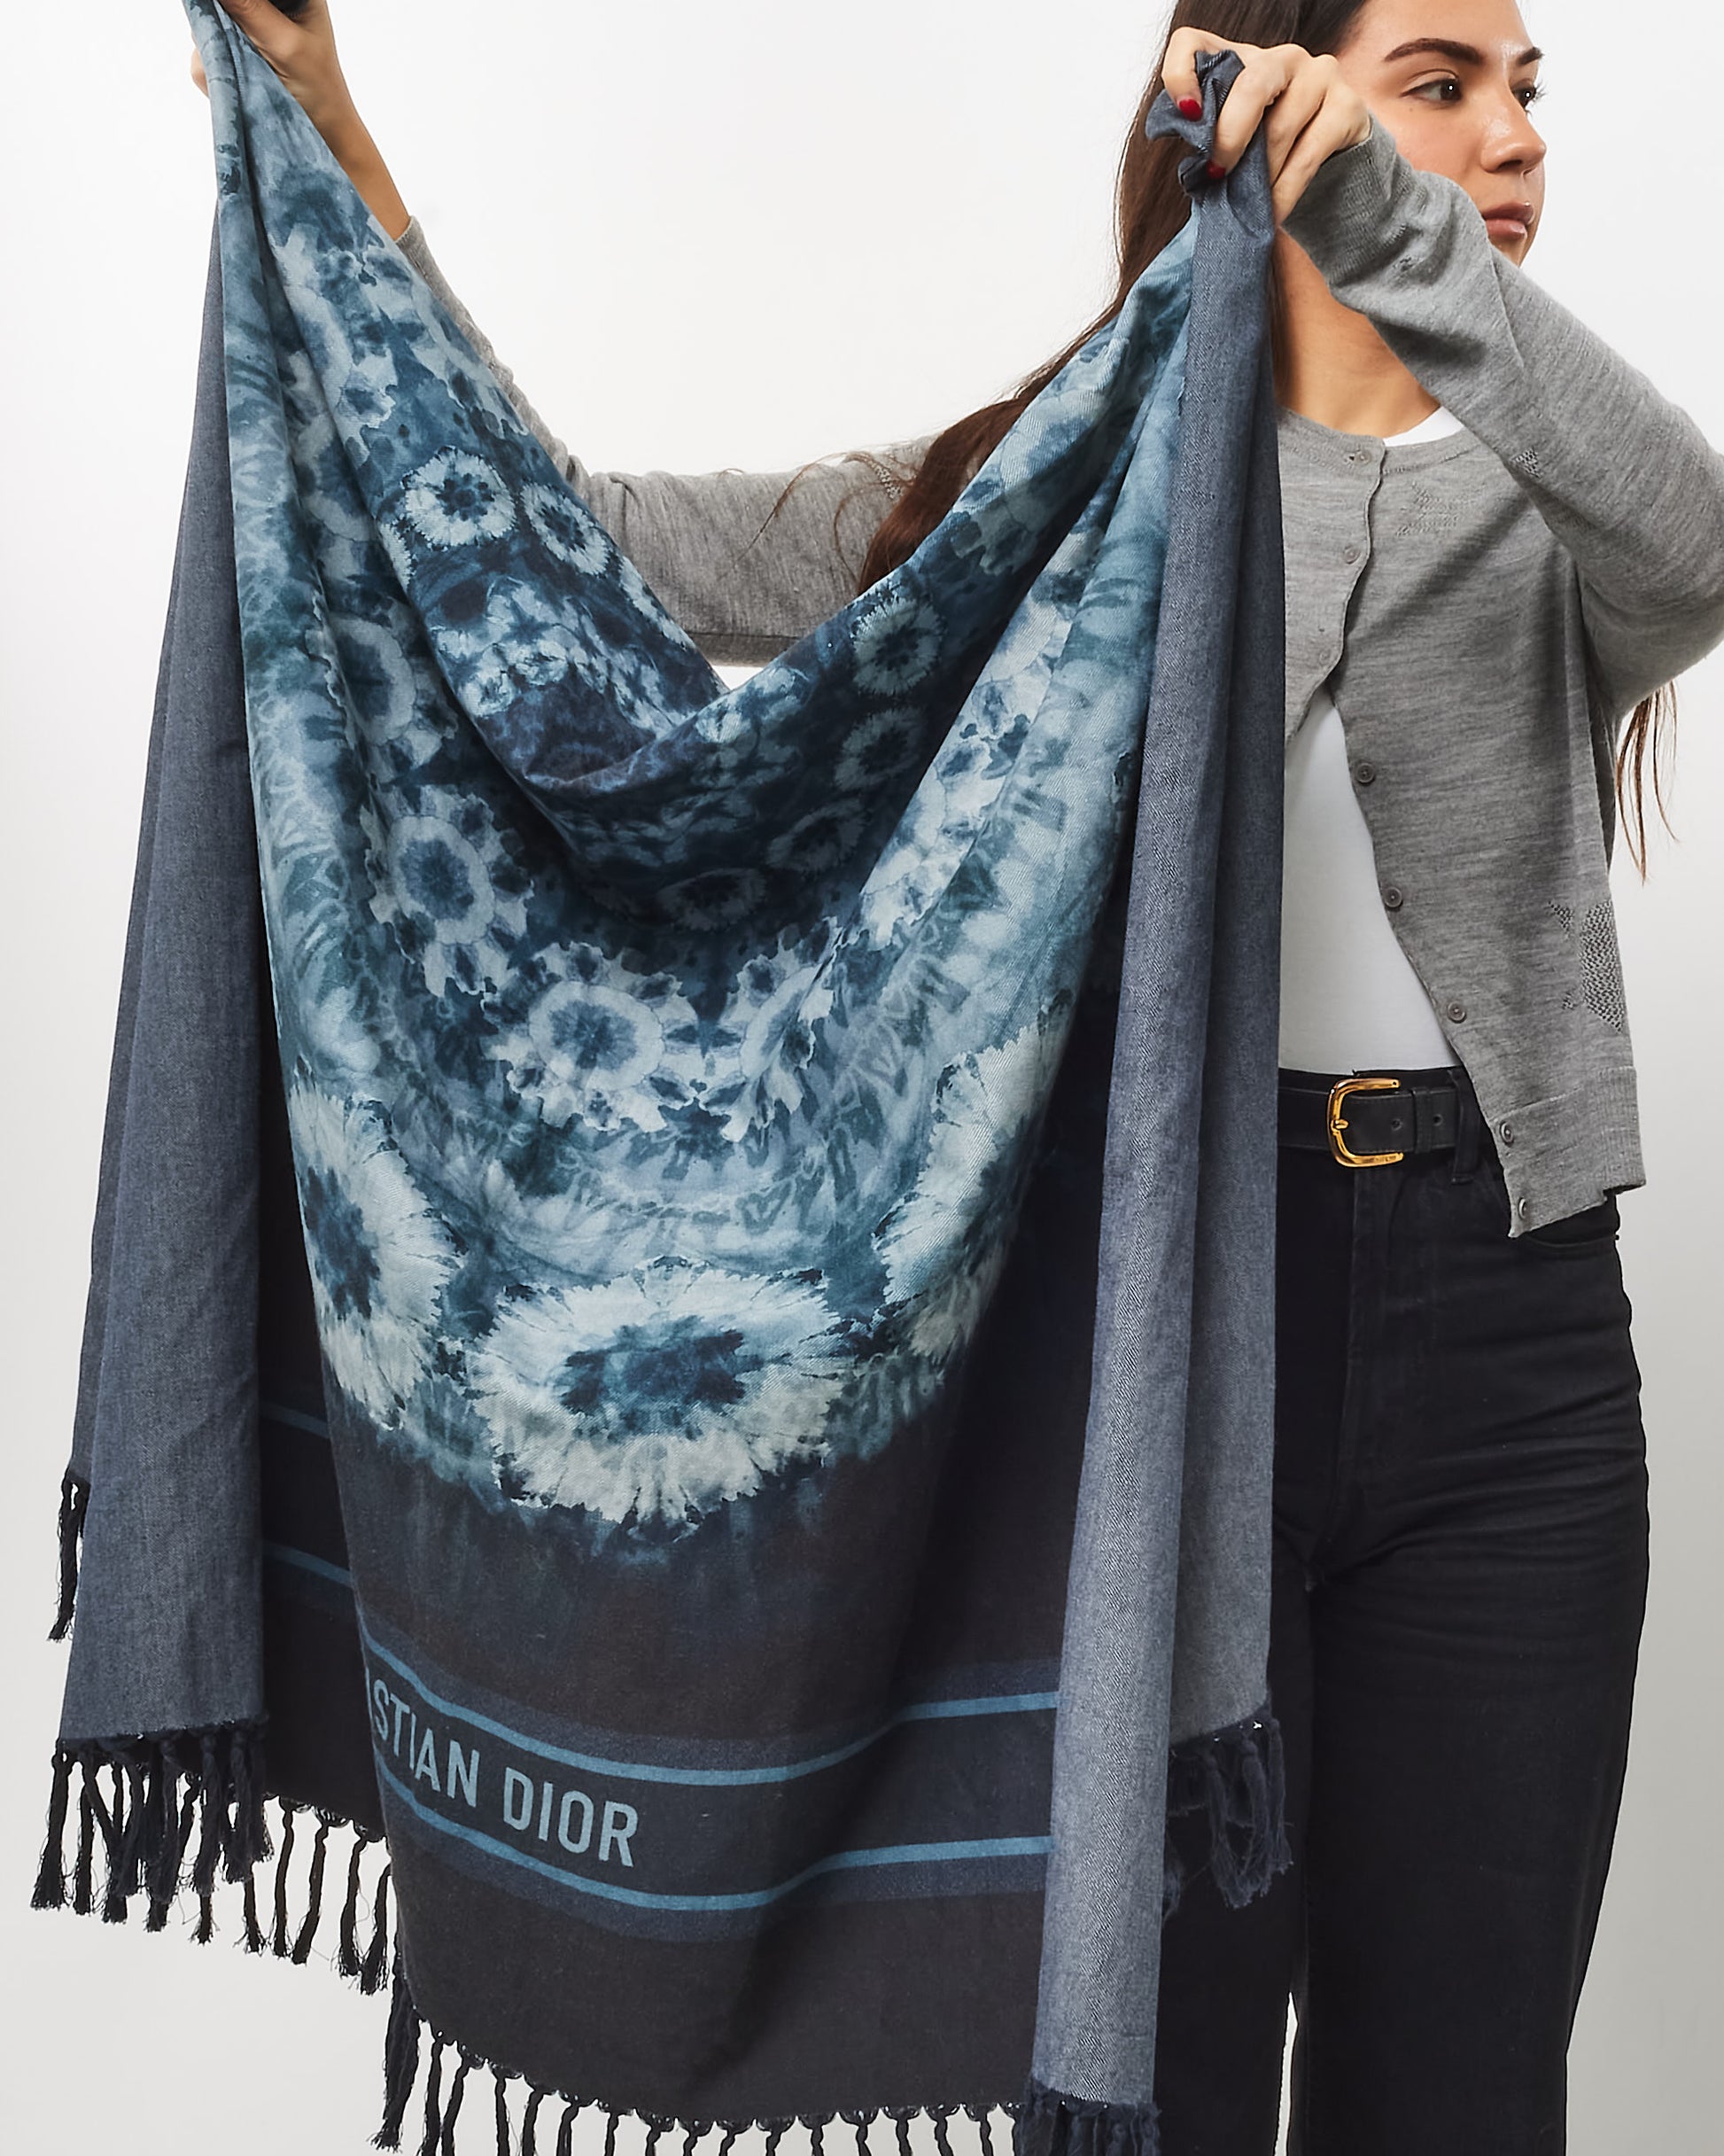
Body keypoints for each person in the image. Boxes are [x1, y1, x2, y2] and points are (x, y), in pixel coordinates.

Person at [195, 3, 1724, 2150]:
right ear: (1271, 93)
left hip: (1513, 1358)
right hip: (1167, 1336)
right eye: (1439, 81)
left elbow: (1696, 535)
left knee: (1467, 2084)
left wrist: (1387, 215)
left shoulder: (1555, 504)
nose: (1509, 136)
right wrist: (340, 161)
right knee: (1152, 2066)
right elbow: (567, 534)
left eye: (1523, 89)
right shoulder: (1049, 498)